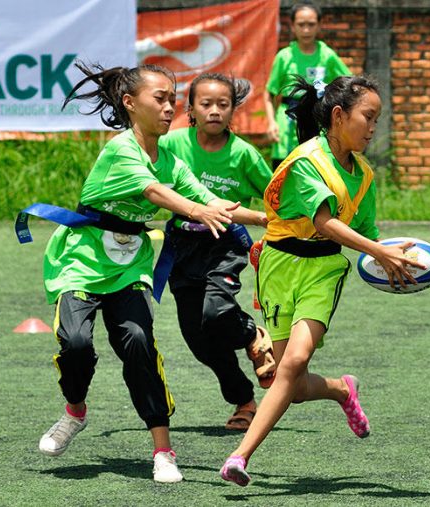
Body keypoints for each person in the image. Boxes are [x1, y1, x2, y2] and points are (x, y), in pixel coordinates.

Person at [37, 62, 253, 483]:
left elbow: (214, 202)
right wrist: (195, 209)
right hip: (81, 260)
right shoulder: (120, 149)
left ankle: (163, 451)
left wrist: (278, 219)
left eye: (173, 99)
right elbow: (156, 192)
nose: (170, 107)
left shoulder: (170, 157)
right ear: (130, 103)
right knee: (77, 343)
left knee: (137, 342)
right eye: (160, 99)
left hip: (129, 261)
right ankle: (74, 412)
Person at [219, 74, 425, 486]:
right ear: (338, 115)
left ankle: (240, 457)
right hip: (278, 266)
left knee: (293, 362)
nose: (373, 127)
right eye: (368, 117)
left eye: (376, 120)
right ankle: (341, 389)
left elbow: (362, 234)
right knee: (290, 385)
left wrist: (390, 258)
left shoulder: (364, 176)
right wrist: (377, 251)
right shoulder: (305, 162)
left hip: (323, 269)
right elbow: (324, 221)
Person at [159, 73, 274, 431]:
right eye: (205, 104)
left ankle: (252, 335)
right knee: (198, 339)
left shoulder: (243, 154)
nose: (214, 111)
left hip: (225, 244)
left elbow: (277, 199)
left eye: (222, 105)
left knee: (217, 310)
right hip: (181, 246)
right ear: (190, 108)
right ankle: (244, 400)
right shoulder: (172, 144)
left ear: (232, 109)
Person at [264, 0, 351, 169]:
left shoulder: (327, 55)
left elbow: (347, 85)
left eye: (311, 24)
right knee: (283, 173)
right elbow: (269, 93)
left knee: (318, 169)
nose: (306, 30)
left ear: (319, 25)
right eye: (301, 24)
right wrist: (271, 122)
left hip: (318, 119)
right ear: (292, 26)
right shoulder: (284, 56)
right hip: (288, 121)